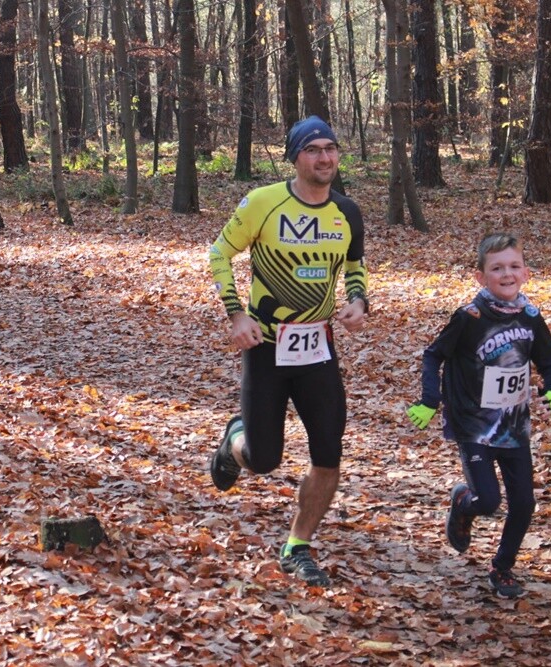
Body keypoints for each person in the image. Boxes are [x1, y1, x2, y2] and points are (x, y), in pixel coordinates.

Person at [207, 116, 369, 587]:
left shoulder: (347, 212)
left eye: (331, 148)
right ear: (295, 158)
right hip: (267, 346)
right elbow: (220, 253)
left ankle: (298, 545)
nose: (325, 158)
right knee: (264, 459)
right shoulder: (263, 203)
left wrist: (358, 301)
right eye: (314, 150)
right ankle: (235, 440)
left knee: (328, 455)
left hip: (318, 348)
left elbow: (355, 267)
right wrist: (236, 314)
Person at [405, 232, 551, 599]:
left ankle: (502, 568)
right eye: (497, 268)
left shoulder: (531, 317)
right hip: (473, 424)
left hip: (512, 425)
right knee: (488, 501)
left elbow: (548, 360)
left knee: (524, 503)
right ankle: (464, 502)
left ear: (526, 273)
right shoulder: (469, 318)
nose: (507, 274)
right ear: (480, 277)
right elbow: (433, 355)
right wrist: (431, 399)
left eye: (514, 266)